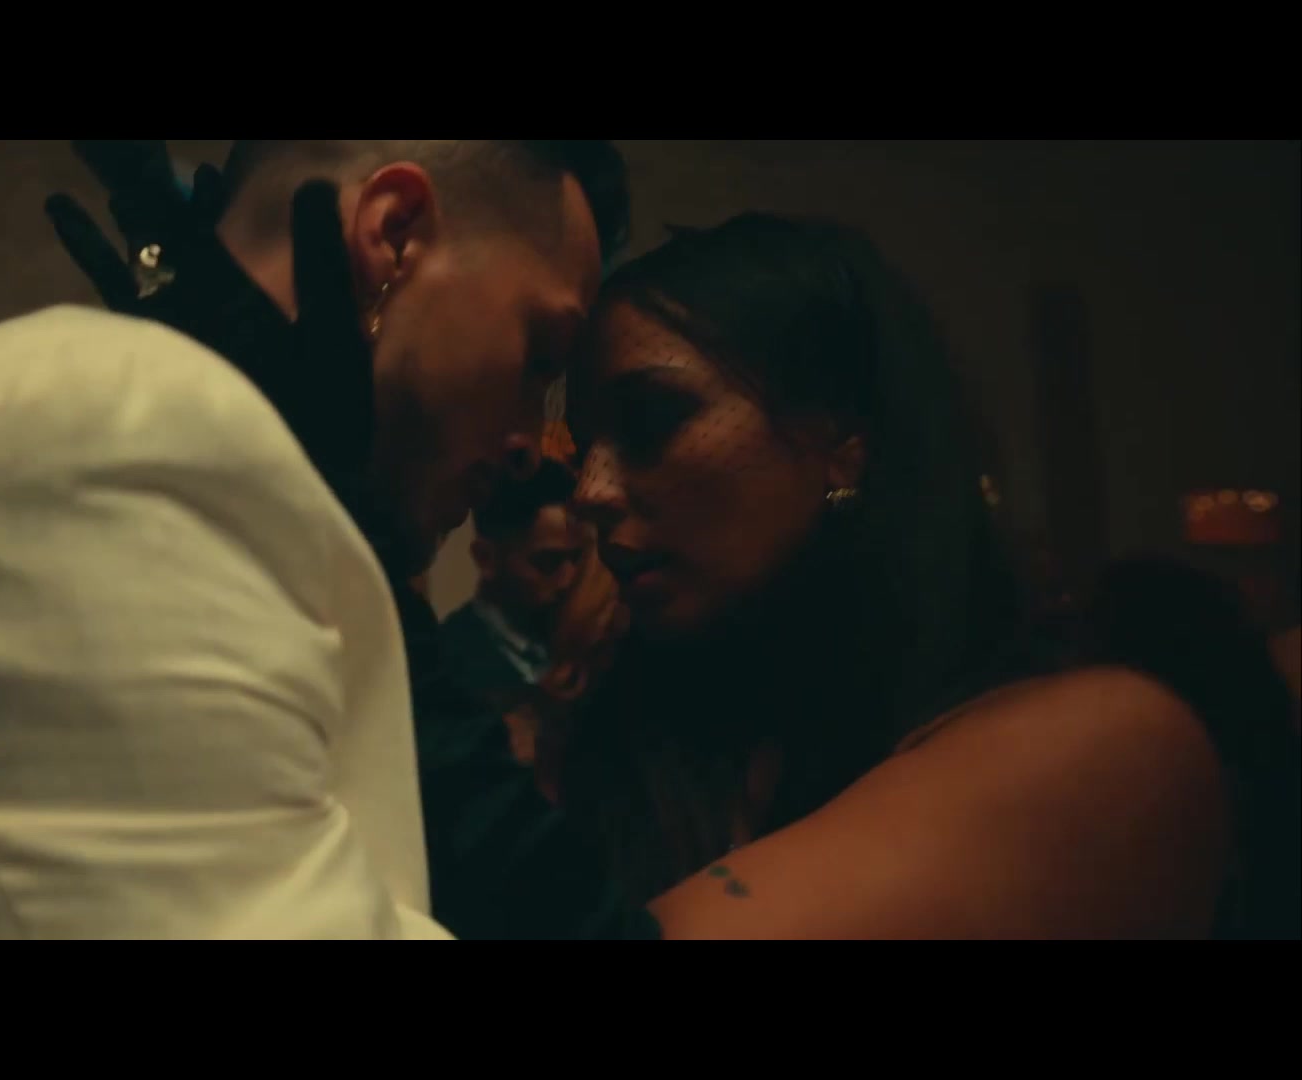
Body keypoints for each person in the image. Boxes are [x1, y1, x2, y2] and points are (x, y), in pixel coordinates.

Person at [0, 140, 627, 938]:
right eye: (539, 354)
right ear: (395, 232)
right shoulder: (119, 430)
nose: (530, 443)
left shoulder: (205, 462)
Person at [553, 213, 1300, 938]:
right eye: (585, 448)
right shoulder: (640, 753)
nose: (591, 491)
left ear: (843, 441)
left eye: (651, 419)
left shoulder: (1101, 744)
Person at [440, 460, 588, 711]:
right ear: (486, 558)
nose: (569, 580)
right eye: (547, 563)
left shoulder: (580, 641)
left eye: (577, 559)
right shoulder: (444, 661)